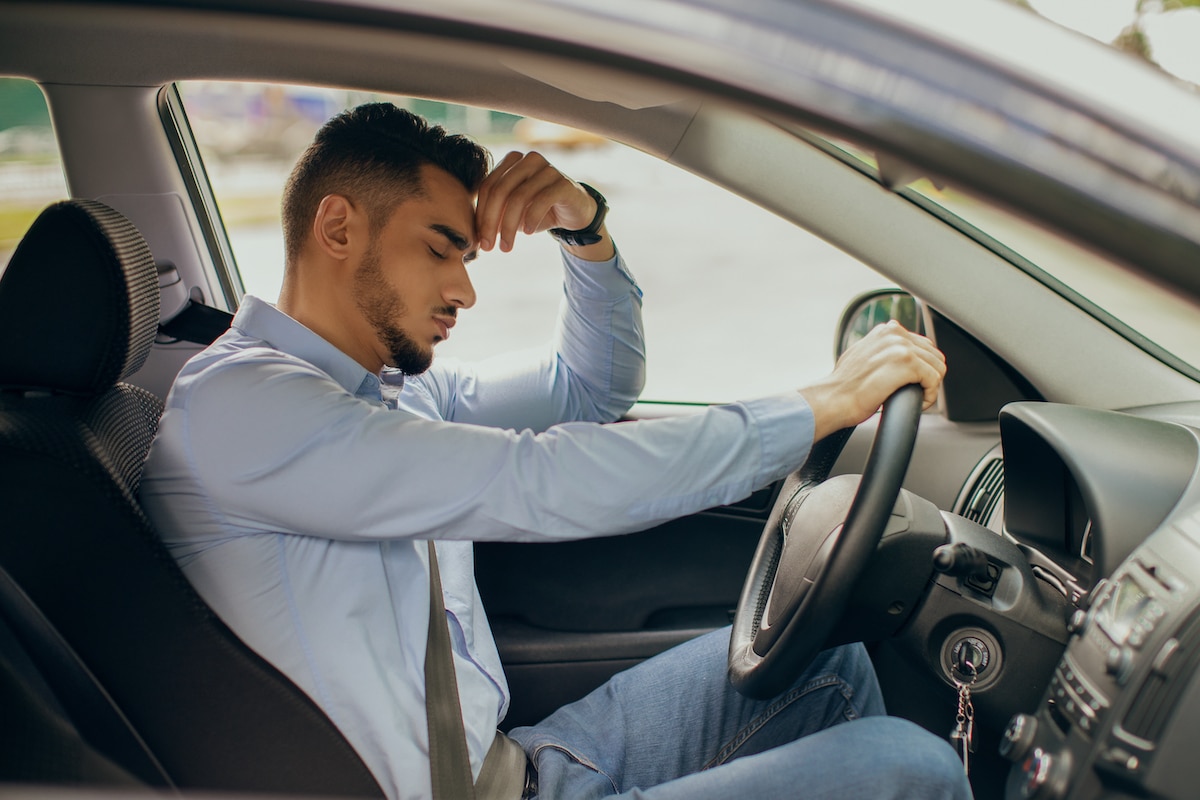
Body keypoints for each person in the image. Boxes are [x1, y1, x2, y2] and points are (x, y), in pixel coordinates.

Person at [140, 103, 968, 800]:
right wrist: (820, 406)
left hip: (515, 767)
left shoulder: (391, 392)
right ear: (337, 225)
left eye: (466, 256)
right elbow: (537, 479)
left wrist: (585, 229)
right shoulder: (243, 406)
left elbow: (591, 387)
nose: (465, 288)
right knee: (914, 769)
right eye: (439, 248)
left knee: (833, 667)